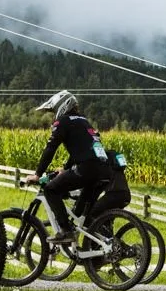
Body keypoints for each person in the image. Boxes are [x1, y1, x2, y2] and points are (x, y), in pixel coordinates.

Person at [32, 90, 132, 246]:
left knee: (50, 190)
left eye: (53, 111)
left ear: (62, 106)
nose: (53, 116)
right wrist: (66, 169)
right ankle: (107, 247)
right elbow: (82, 150)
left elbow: (51, 148)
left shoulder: (63, 121)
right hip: (104, 170)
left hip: (88, 169)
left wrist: (38, 174)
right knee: (84, 216)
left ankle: (66, 231)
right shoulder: (84, 122)